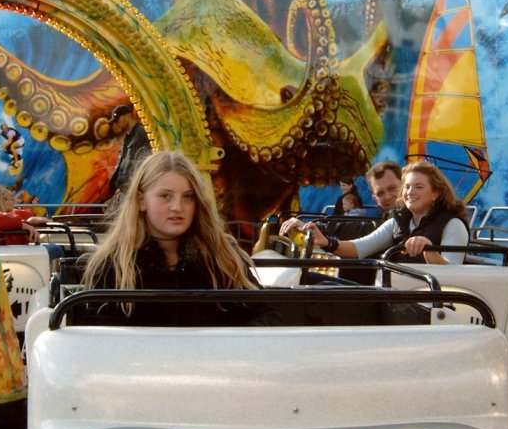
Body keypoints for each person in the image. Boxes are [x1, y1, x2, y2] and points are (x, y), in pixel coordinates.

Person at [81, 150, 273, 326]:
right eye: (165, 196)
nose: (177, 207)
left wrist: (230, 345)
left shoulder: (221, 256)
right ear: (141, 200)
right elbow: (98, 336)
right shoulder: (114, 264)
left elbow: (265, 315)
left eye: (188, 197)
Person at [282, 161, 469, 266]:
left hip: (427, 303)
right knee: (317, 284)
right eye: (407, 187)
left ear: (436, 192)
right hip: (394, 293)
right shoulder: (399, 221)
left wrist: (429, 251)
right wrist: (326, 242)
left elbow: (454, 275)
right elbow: (360, 247)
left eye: (418, 187)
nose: (410, 192)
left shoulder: (452, 225)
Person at [108, 104, 151, 195]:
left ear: (127, 116)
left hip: (131, 190)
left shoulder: (142, 133)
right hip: (123, 190)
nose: (116, 124)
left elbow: (144, 162)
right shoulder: (127, 137)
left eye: (117, 120)